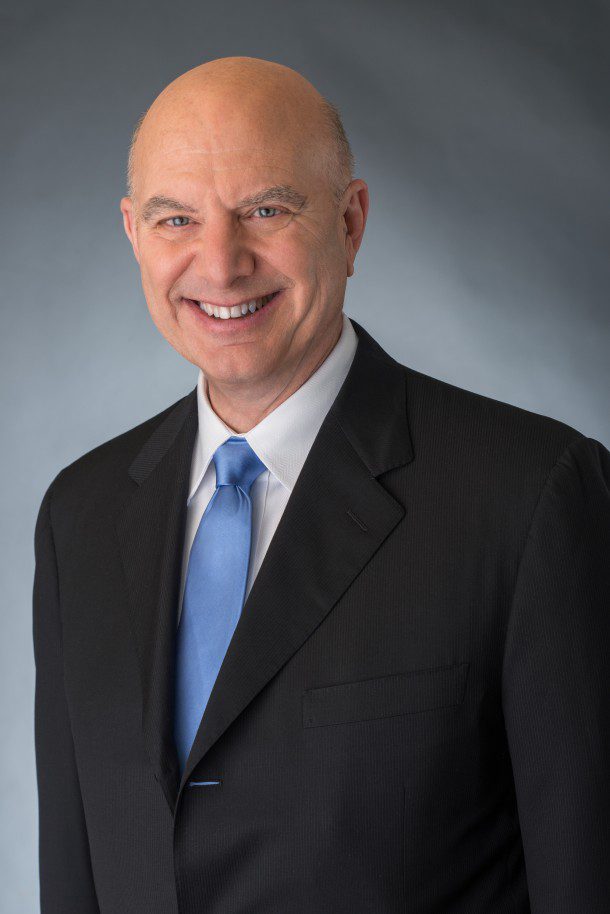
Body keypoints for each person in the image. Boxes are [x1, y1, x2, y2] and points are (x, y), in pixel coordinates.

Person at [32, 56, 610, 914]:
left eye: (265, 210)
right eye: (176, 218)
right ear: (132, 233)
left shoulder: (531, 495)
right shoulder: (79, 516)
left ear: (350, 221)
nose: (220, 264)